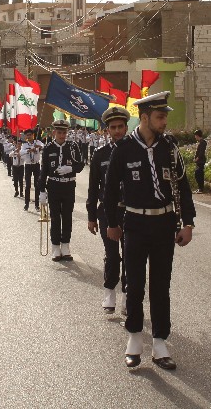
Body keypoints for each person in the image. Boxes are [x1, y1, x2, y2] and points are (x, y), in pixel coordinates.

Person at [102, 91, 195, 370]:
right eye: (160, 116)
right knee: (135, 286)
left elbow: (184, 186)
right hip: (135, 224)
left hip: (164, 223)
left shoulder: (170, 147)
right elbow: (109, 192)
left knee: (161, 285)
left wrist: (188, 223)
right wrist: (112, 224)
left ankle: (160, 343)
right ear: (144, 118)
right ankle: (133, 339)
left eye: (165, 116)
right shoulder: (124, 149)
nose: (165, 121)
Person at [86, 106, 130, 314]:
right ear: (107, 130)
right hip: (107, 212)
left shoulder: (134, 152)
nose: (117, 130)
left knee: (131, 256)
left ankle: (128, 296)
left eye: (121, 126)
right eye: (113, 127)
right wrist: (91, 216)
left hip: (131, 212)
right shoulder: (100, 154)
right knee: (112, 256)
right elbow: (93, 187)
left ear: (126, 127)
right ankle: (109, 291)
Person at [39, 120, 84, 260]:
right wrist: (41, 190)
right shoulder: (48, 148)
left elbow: (81, 165)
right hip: (53, 186)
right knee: (55, 217)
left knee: (67, 216)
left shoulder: (72, 146)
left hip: (69, 186)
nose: (62, 135)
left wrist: (70, 168)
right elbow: (44, 170)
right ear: (54, 132)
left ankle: (65, 245)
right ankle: (55, 247)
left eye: (64, 132)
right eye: (59, 132)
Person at [21, 129, 45, 211]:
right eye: (27, 135)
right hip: (28, 165)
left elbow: (44, 146)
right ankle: (26, 204)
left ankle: (37, 204)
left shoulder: (37, 142)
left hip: (36, 165)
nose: (29, 136)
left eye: (30, 135)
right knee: (28, 185)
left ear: (33, 135)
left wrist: (39, 147)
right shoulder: (24, 145)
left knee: (37, 185)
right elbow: (21, 152)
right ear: (26, 136)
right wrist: (29, 150)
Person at [193, 129, 207, 193]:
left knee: (198, 174)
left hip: (201, 161)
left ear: (197, 135)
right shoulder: (201, 142)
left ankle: (201, 188)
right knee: (198, 174)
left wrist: (197, 159)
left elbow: (201, 153)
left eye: (195, 135)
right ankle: (200, 188)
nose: (195, 137)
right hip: (199, 161)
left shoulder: (202, 142)